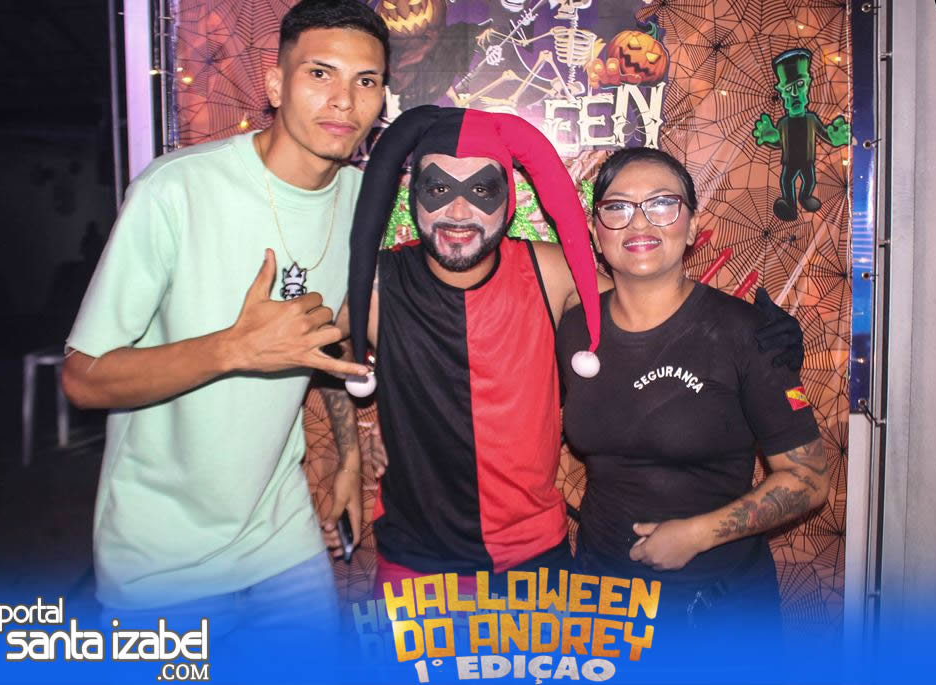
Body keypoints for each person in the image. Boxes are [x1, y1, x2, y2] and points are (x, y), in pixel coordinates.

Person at [341, 107, 807, 598]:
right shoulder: (374, 284)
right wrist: (354, 450)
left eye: (482, 190)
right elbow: (318, 349)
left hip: (540, 562)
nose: (459, 211)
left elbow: (650, 310)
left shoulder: (552, 275)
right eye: (438, 188)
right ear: (412, 195)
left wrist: (759, 339)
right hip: (421, 563)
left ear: (509, 200)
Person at [61, 0, 386, 632]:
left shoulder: (362, 201)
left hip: (281, 537)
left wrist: (349, 457)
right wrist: (232, 348)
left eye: (366, 81)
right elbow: (82, 378)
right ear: (275, 84)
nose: (344, 101)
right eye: (320, 73)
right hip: (161, 558)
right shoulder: (176, 190)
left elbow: (328, 345)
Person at [555, 147, 829, 643]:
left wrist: (698, 534)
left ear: (692, 225)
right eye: (617, 207)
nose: (640, 222)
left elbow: (809, 480)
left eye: (662, 203)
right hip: (601, 600)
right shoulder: (575, 329)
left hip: (715, 609)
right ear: (597, 232)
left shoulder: (746, 332)